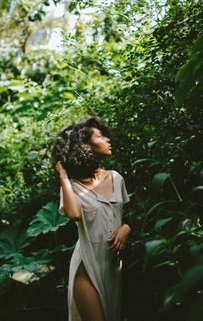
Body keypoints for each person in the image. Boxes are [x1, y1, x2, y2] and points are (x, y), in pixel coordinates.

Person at [52, 117, 132, 321]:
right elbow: (74, 214)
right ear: (86, 146)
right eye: (100, 136)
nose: (107, 139)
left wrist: (127, 228)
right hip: (86, 265)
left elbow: (128, 214)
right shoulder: (72, 186)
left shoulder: (116, 178)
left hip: (113, 266)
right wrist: (63, 176)